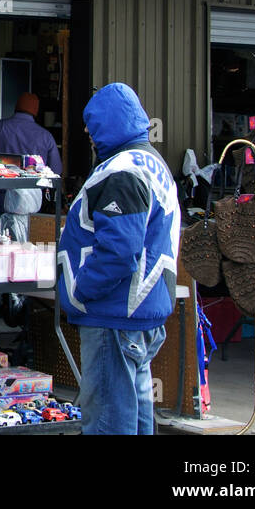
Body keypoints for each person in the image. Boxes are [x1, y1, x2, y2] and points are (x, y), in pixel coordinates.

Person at [57, 83, 180, 435]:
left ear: (107, 124)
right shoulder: (151, 163)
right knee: (135, 416)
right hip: (136, 313)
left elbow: (119, 251)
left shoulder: (121, 170)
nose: (88, 134)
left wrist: (81, 291)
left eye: (92, 126)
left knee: (108, 422)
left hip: (114, 315)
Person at [0, 92, 63, 233]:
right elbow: (56, 171)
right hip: (32, 203)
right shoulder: (45, 136)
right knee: (27, 242)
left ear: (16, 107)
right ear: (36, 110)